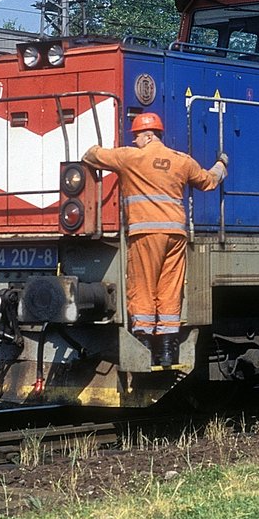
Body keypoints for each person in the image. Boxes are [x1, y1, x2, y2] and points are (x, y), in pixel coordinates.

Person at [83, 112, 229, 367]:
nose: (135, 139)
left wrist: (93, 145)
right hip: (175, 234)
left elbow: (92, 156)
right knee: (170, 288)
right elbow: (208, 181)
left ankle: (145, 346)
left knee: (143, 287)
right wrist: (222, 165)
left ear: (149, 135)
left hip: (146, 233)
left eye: (137, 135)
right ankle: (167, 352)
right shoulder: (180, 160)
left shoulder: (130, 157)